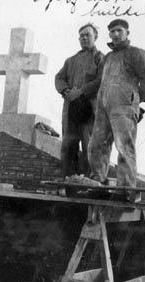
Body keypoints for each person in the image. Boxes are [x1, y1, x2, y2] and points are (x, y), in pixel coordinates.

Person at [87, 19, 145, 200]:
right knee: (96, 145)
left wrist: (134, 101)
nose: (115, 34)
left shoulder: (137, 54)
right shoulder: (107, 58)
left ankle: (126, 191)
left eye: (119, 30)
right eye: (112, 32)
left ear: (127, 33)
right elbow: (101, 82)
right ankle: (97, 185)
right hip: (103, 109)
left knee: (124, 146)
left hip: (124, 107)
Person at [55, 23, 104, 177]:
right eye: (81, 35)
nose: (84, 38)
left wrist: (81, 91)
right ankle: (69, 178)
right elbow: (59, 78)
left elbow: (102, 79)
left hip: (90, 109)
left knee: (90, 144)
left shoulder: (100, 58)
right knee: (69, 144)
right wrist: (65, 90)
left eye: (87, 35)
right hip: (71, 109)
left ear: (95, 37)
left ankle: (92, 180)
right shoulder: (70, 61)